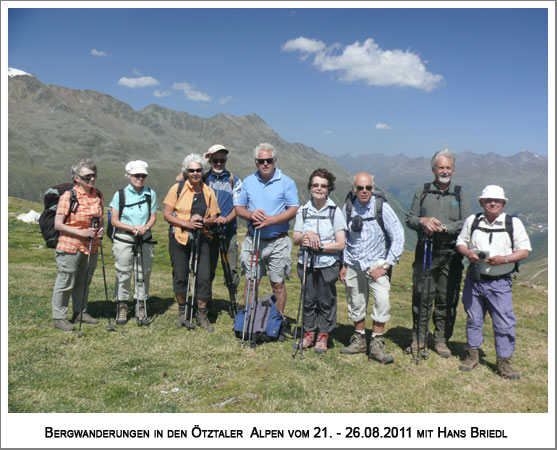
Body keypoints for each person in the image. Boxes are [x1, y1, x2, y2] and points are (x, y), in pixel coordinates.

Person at [456, 185, 531, 379]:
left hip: (500, 282)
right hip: (475, 278)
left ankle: (503, 362)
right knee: (474, 319)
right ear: (481, 202)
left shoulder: (513, 223)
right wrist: (469, 253)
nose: (492, 203)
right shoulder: (473, 221)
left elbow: (524, 251)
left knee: (504, 322)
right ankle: (472, 355)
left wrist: (504, 259)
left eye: (497, 201)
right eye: (488, 200)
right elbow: (461, 242)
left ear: (503, 203)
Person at [405, 148, 472, 358]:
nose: (445, 171)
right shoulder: (422, 190)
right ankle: (420, 338)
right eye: (441, 167)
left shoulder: (460, 194)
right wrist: (423, 221)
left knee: (446, 297)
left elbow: (467, 223)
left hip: (451, 253)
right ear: (433, 169)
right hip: (426, 248)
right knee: (422, 295)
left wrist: (446, 228)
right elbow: (410, 218)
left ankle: (441, 340)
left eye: (448, 167)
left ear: (453, 170)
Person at [339, 172, 405, 363]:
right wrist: (343, 263)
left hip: (376, 264)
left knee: (382, 300)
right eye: (360, 188)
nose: (365, 191)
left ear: (373, 189)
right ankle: (359, 339)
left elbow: (398, 235)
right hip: (353, 262)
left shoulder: (382, 207)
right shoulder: (349, 207)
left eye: (368, 187)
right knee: (356, 301)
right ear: (354, 189)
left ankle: (376, 342)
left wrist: (386, 264)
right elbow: (342, 235)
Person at [235, 143, 299, 338]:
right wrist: (251, 214)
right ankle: (250, 321)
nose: (265, 164)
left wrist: (271, 220)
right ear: (256, 162)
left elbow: (293, 209)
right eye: (261, 161)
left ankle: (275, 325)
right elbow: (239, 208)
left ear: (274, 161)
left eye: (268, 160)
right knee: (251, 282)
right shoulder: (248, 181)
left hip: (278, 241)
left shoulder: (286, 182)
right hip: (253, 239)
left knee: (277, 284)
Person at [292, 169, 347, 354]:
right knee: (308, 299)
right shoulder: (303, 210)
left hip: (327, 264)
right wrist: (306, 235)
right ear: (310, 188)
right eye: (315, 185)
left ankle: (323, 334)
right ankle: (309, 333)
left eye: (323, 186)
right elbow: (295, 238)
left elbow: (341, 244)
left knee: (326, 300)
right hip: (306, 263)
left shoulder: (334, 212)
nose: (319, 188)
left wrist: (320, 246)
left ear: (329, 189)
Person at [164, 153, 220, 332]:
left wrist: (202, 221)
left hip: (202, 237)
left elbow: (214, 216)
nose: (195, 173)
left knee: (203, 276)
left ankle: (201, 315)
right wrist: (187, 223)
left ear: (203, 171)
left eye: (198, 170)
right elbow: (167, 215)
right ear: (186, 172)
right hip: (179, 237)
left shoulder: (208, 191)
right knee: (180, 274)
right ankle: (183, 312)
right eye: (191, 170)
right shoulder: (177, 189)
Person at [51, 159, 104, 331]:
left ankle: (80, 311)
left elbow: (99, 219)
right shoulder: (69, 196)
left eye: (94, 175)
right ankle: (59, 317)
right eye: (87, 176)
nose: (92, 179)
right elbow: (58, 224)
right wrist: (81, 232)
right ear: (77, 178)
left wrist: (100, 229)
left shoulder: (98, 195)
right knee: (66, 280)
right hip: (70, 245)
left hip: (91, 245)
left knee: (84, 280)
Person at [109, 160, 157, 325]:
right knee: (123, 272)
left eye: (143, 175)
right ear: (129, 175)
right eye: (136, 175)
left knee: (143, 272)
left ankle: (141, 305)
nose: (140, 178)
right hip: (124, 238)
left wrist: (144, 228)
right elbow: (114, 221)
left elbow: (153, 217)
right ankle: (122, 305)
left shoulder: (151, 194)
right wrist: (132, 228)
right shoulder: (120, 195)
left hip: (144, 237)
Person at [202, 145, 242, 314]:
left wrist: (226, 218)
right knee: (207, 269)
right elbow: (181, 177)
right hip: (208, 232)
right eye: (215, 160)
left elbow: (239, 205)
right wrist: (202, 160)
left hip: (228, 231)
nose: (218, 164)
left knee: (231, 268)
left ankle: (233, 301)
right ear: (210, 160)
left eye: (222, 160)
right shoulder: (202, 178)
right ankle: (206, 301)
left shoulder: (234, 179)